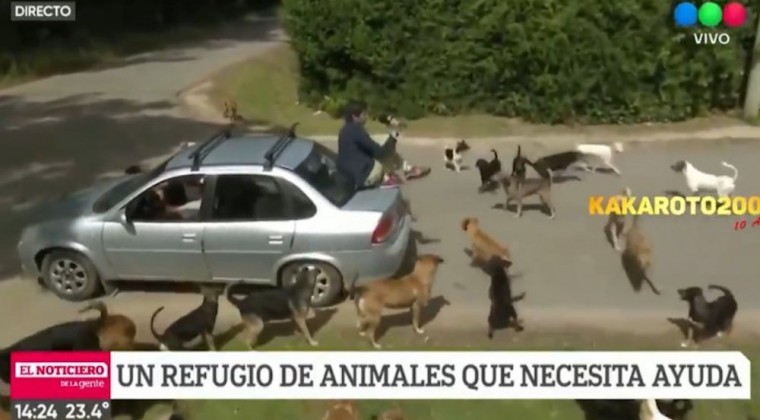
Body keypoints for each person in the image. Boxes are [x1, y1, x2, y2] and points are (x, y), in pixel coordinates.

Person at [337, 100, 429, 189]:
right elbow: (380, 153)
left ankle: (406, 169)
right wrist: (394, 135)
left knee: (383, 143)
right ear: (355, 116)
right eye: (364, 114)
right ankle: (388, 177)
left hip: (352, 175)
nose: (367, 117)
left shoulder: (347, 130)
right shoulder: (356, 131)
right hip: (363, 177)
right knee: (385, 152)